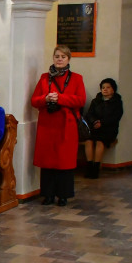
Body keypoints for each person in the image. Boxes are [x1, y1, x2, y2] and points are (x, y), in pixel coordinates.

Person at [31, 44, 86, 206]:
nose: (59, 59)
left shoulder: (77, 78)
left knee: (64, 162)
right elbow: (34, 100)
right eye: (57, 56)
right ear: (53, 58)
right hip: (47, 125)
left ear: (68, 59)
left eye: (63, 57)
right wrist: (46, 99)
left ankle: (63, 195)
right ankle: (47, 195)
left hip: (66, 126)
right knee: (47, 162)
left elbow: (81, 100)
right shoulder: (43, 78)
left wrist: (60, 98)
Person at [82, 77, 124, 179]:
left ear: (113, 89)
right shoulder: (96, 101)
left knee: (100, 141)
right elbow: (89, 114)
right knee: (89, 141)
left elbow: (116, 117)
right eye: (103, 87)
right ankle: (89, 166)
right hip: (94, 127)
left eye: (108, 87)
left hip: (108, 129)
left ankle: (96, 168)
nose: (105, 89)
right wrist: (94, 122)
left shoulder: (117, 102)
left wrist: (102, 123)